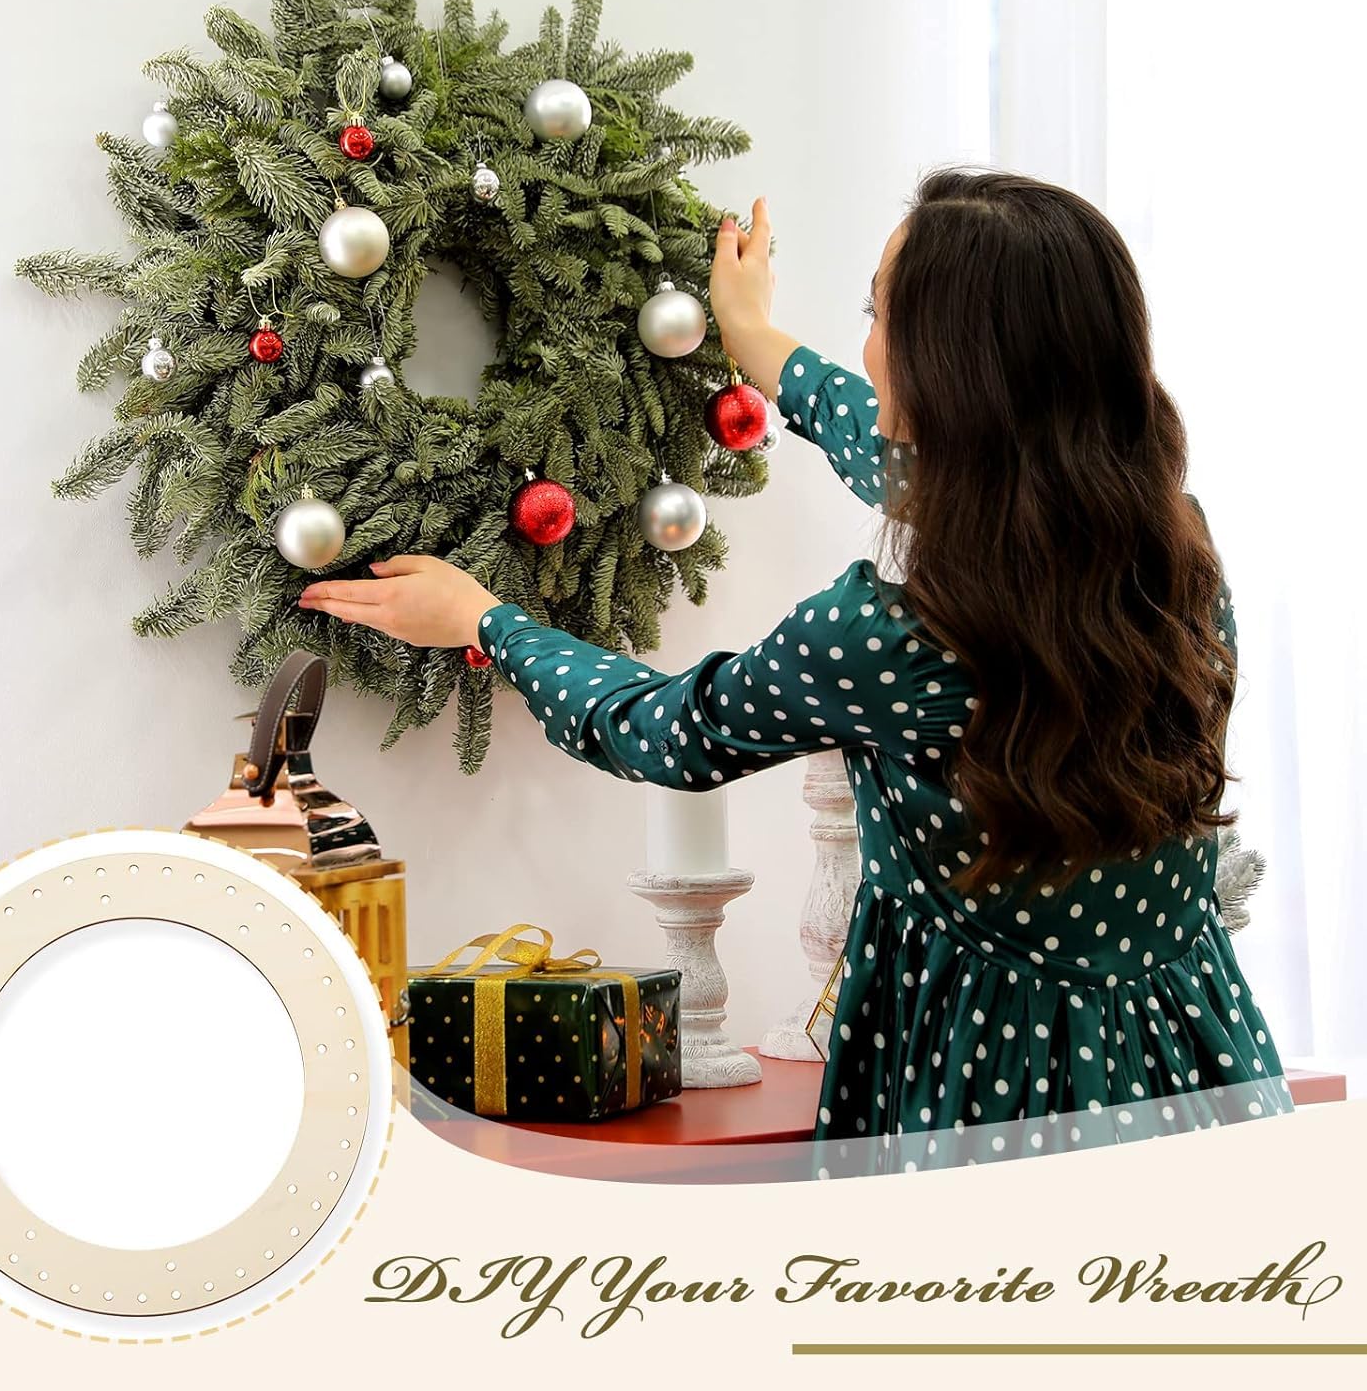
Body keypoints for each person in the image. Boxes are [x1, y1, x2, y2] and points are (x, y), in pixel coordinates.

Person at [299, 168, 1293, 1171]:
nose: (869, 342)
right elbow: (937, 461)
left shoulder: (885, 634)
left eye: (879, 313)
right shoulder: (1173, 549)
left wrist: (485, 620)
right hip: (1196, 1065)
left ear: (947, 367)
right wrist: (758, 344)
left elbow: (663, 731)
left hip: (993, 1095)